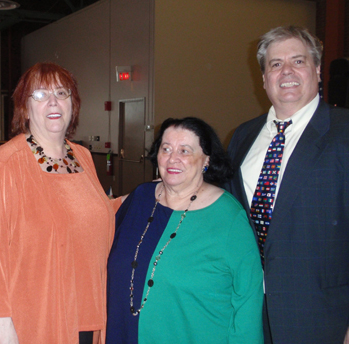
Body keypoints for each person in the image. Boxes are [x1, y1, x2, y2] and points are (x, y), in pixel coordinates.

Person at [0, 62, 122, 344]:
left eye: (62, 93)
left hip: (88, 312)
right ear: (25, 108)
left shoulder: (81, 156)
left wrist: (152, 195)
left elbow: (90, 215)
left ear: (73, 104)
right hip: (32, 321)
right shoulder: (5, 164)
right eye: (40, 94)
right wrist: (5, 335)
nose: (53, 101)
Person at [226, 26, 349, 344]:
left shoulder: (344, 132)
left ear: (318, 70)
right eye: (276, 64)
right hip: (249, 310)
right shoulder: (242, 137)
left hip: (323, 316)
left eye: (298, 61)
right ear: (264, 78)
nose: (287, 72)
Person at [107, 117, 263, 343]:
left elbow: (248, 301)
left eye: (185, 151)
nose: (173, 159)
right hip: (122, 333)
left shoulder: (228, 218)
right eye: (166, 148)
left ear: (206, 160)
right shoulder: (140, 198)